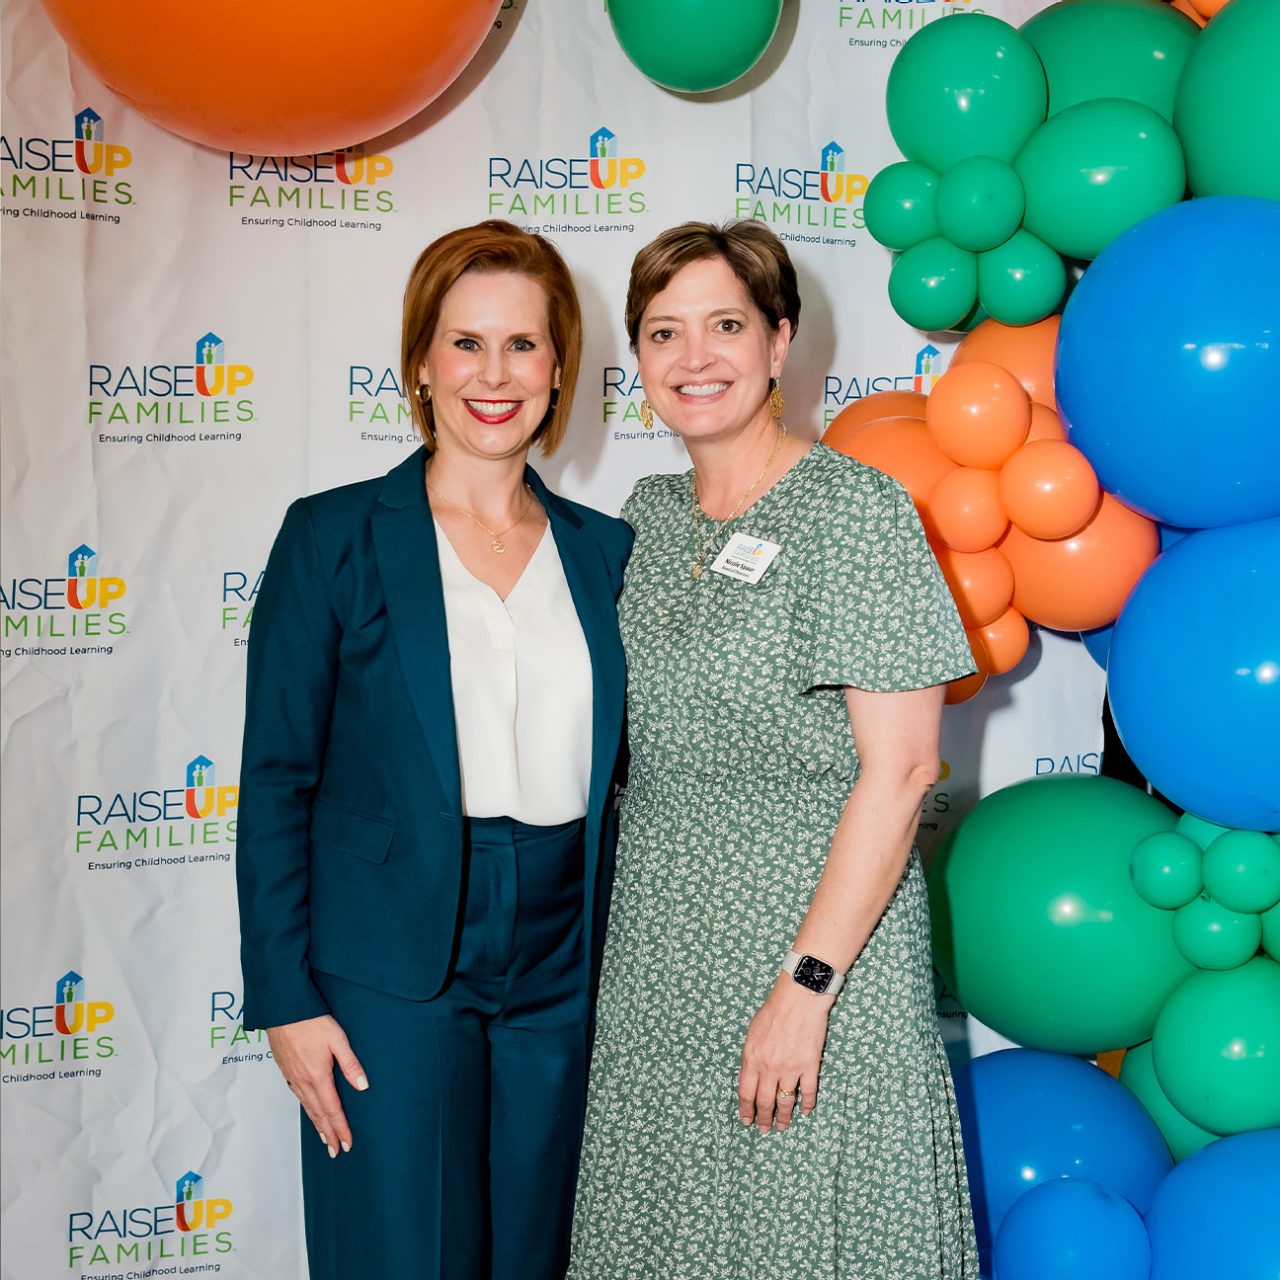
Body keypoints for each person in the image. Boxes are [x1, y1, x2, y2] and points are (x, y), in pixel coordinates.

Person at [568, 221, 980, 1279]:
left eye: (723, 325)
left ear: (776, 340)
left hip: (812, 958)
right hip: (660, 957)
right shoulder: (644, 518)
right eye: (663, 332)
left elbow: (897, 774)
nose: (692, 357)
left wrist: (804, 987)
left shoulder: (855, 510)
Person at [235, 220, 631, 1280]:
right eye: (465, 343)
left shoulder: (609, 553)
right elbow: (276, 778)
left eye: (521, 345)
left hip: (563, 952)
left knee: (537, 1249)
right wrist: (283, 994)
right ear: (419, 360)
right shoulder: (331, 538)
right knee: (406, 1249)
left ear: (558, 368)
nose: (492, 374)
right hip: (388, 961)